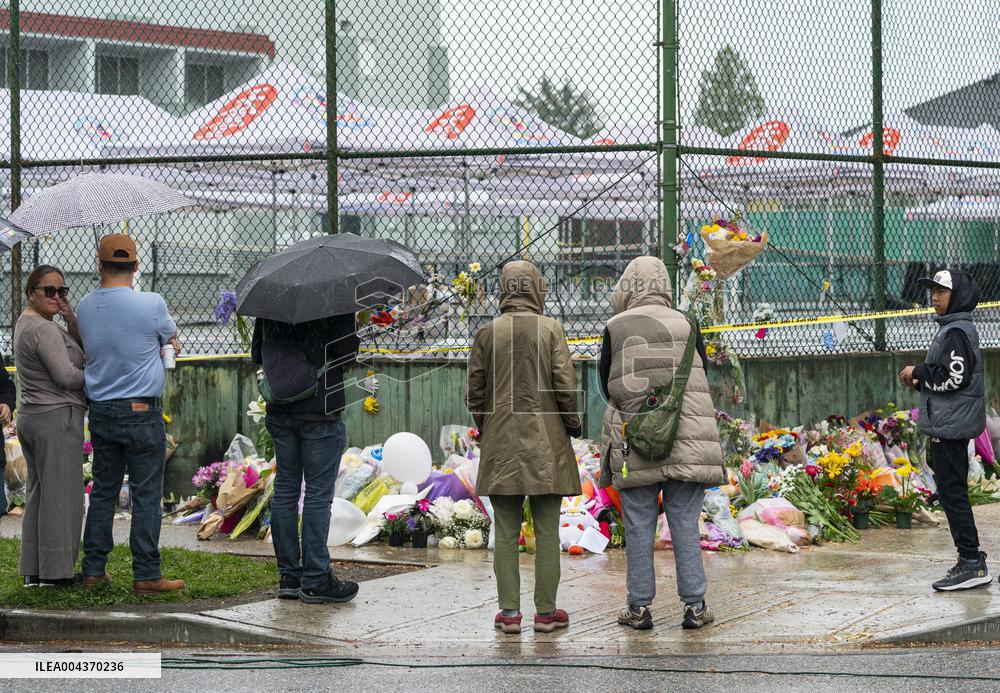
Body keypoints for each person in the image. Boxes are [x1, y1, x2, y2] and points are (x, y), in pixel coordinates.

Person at [597, 256, 725, 631]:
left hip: (636, 439)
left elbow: (605, 382)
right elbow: (701, 371)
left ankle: (638, 608)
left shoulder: (615, 327)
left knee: (638, 523)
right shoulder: (687, 322)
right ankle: (695, 606)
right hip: (689, 437)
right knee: (684, 521)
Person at [467, 260, 582, 635]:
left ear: (504, 288)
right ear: (536, 288)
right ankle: (546, 613)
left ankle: (510, 613)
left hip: (501, 442)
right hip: (547, 443)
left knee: (505, 529)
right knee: (547, 531)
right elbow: (565, 384)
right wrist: (572, 423)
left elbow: (475, 393)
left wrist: (489, 426)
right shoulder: (550, 329)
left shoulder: (487, 333)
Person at [77, 234, 184, 595]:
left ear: (99, 264)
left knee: (103, 490)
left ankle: (93, 570)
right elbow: (170, 339)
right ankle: (147, 574)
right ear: (136, 265)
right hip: (141, 410)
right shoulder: (152, 303)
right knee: (146, 493)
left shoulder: (84, 307)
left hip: (101, 411)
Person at [252, 313, 360, 604]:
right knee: (317, 495)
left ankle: (289, 577)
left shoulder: (271, 302)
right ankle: (315, 578)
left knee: (286, 490)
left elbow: (257, 353)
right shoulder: (333, 302)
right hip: (320, 409)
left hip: (281, 409)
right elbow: (347, 352)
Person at [899, 268, 989, 591]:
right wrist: (920, 381)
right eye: (932, 292)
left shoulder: (956, 332)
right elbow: (948, 379)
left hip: (951, 427)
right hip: (949, 423)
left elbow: (954, 378)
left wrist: (920, 371)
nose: (934, 298)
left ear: (958, 296)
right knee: (951, 493)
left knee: (953, 494)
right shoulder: (952, 329)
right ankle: (969, 560)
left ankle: (972, 563)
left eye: (941, 292)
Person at [13, 265, 81, 587]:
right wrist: (98, 378)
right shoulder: (43, 329)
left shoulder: (26, 322)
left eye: (62, 291)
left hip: (31, 416)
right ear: (31, 293)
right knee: (61, 496)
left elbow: (71, 351)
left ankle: (34, 570)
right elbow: (66, 375)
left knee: (39, 494)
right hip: (55, 417)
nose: (57, 297)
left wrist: (70, 320)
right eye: (49, 291)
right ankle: (56, 573)